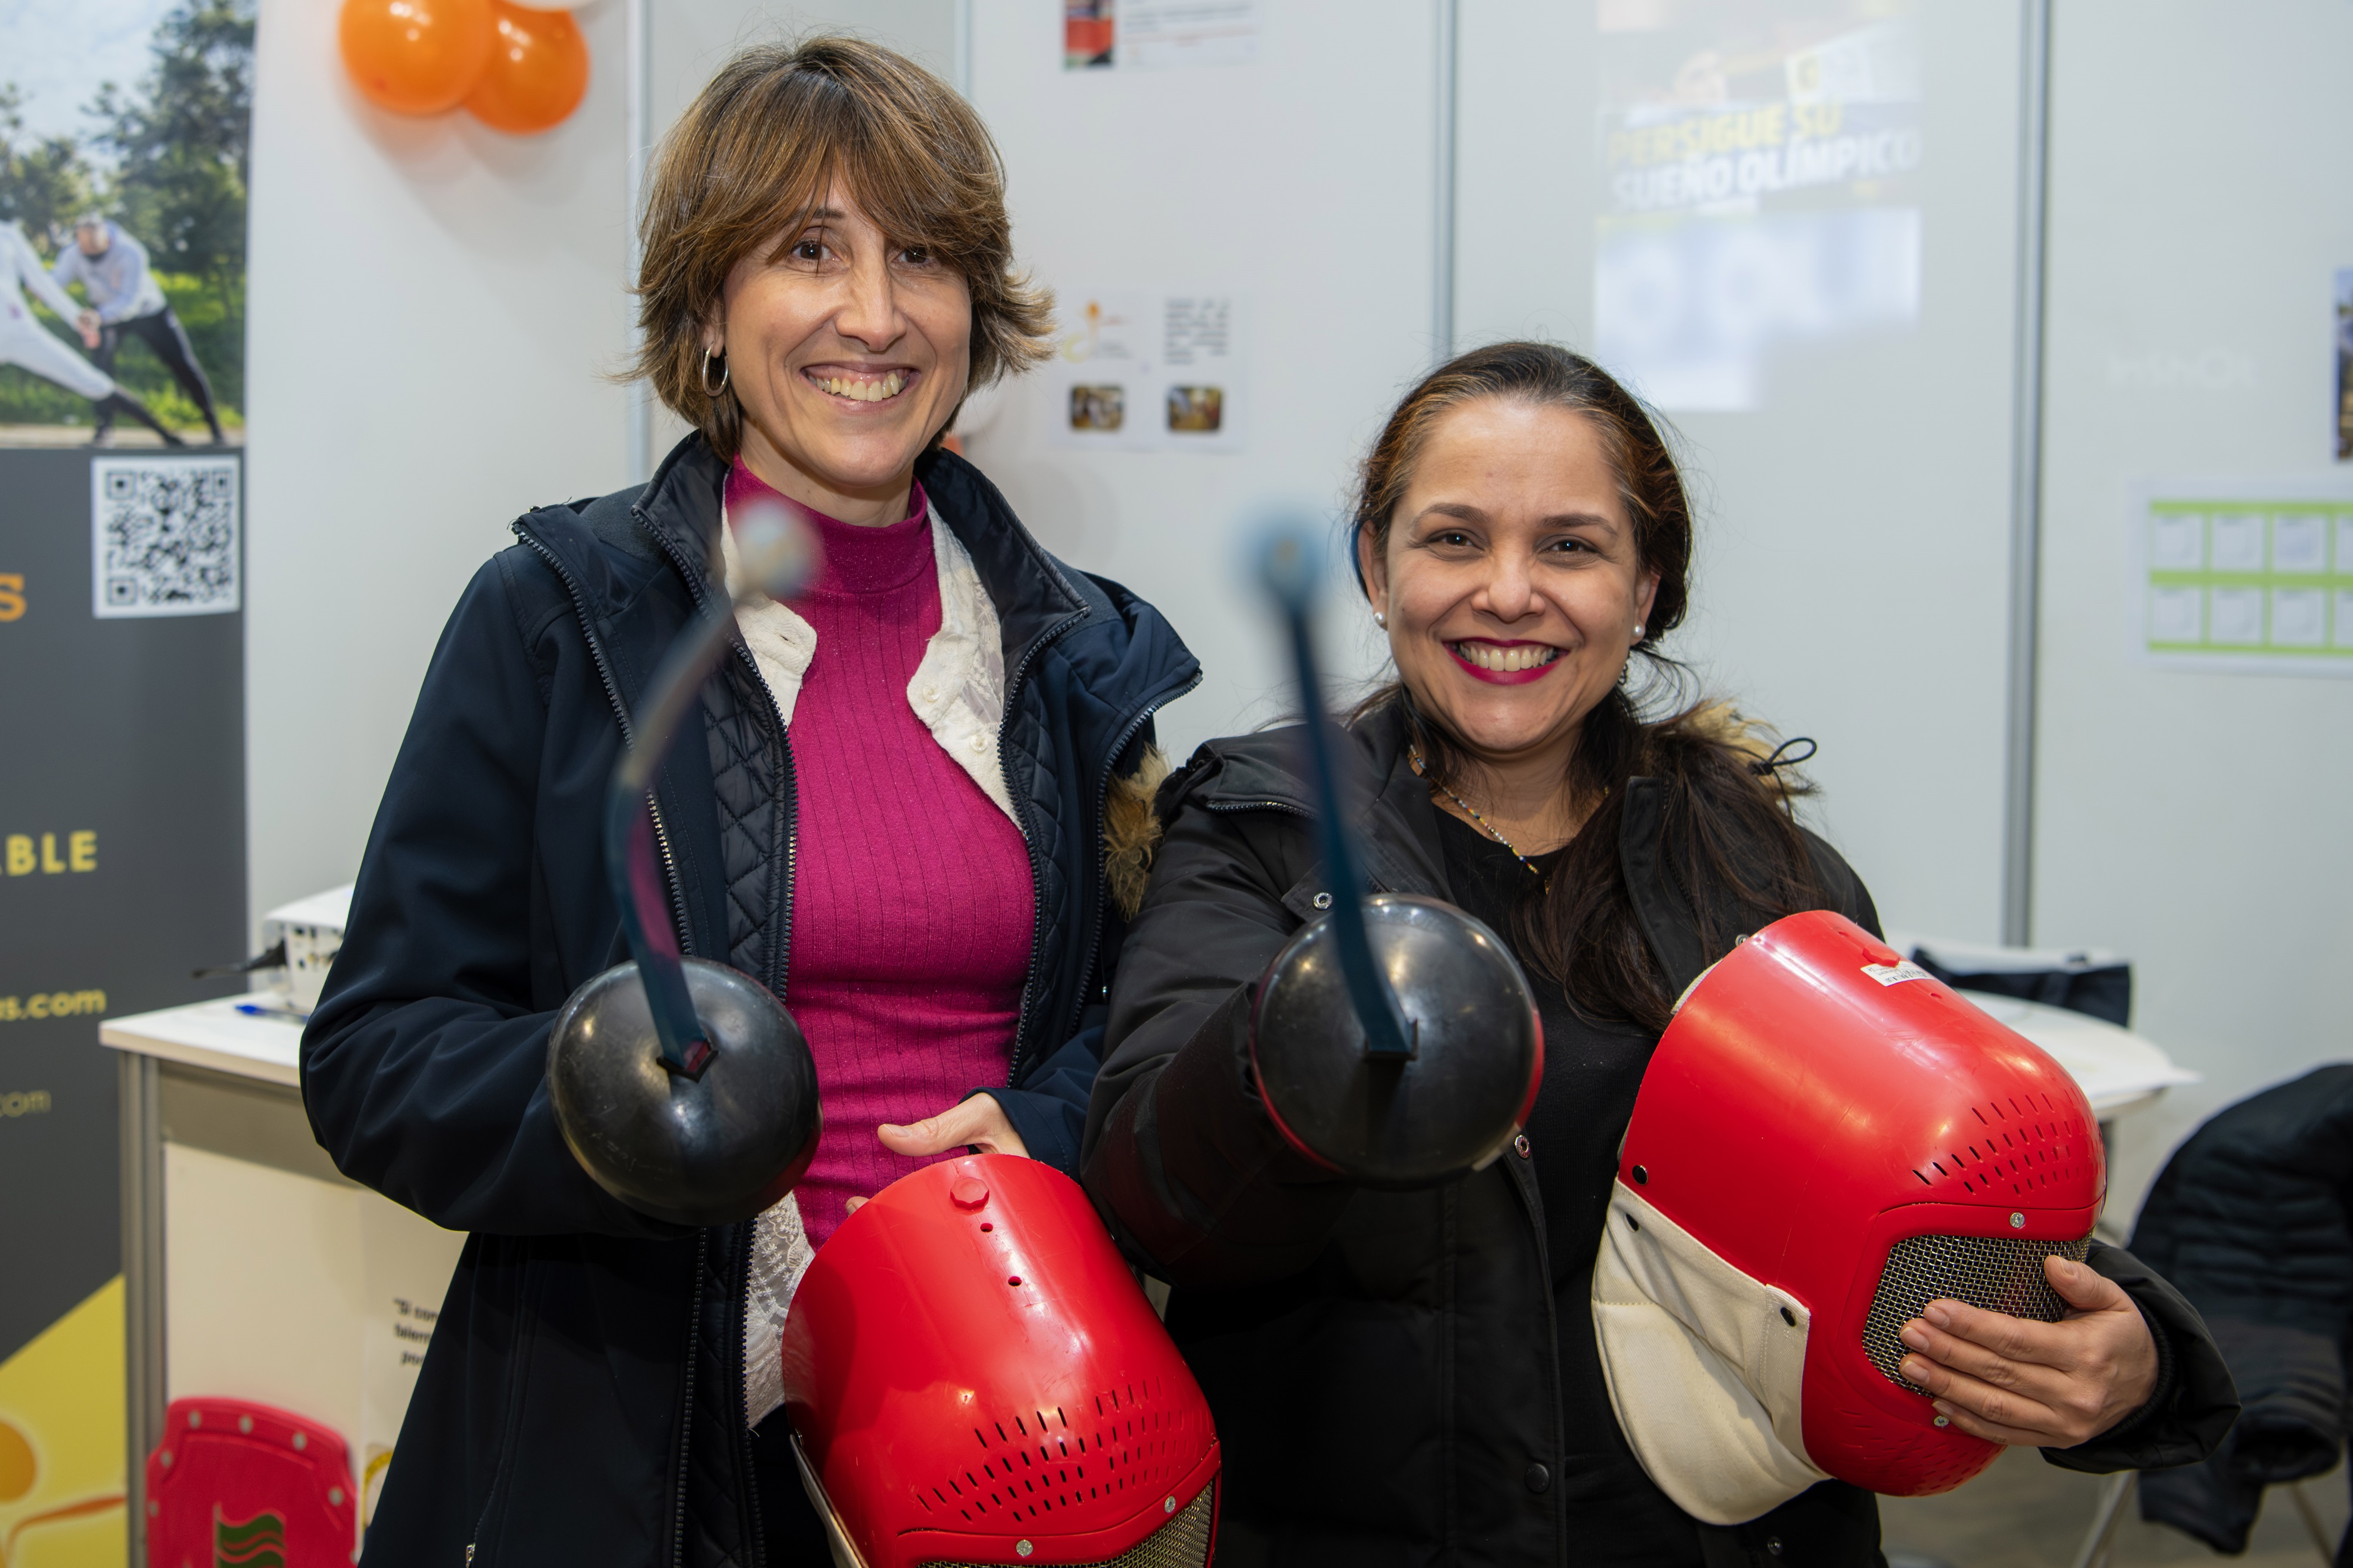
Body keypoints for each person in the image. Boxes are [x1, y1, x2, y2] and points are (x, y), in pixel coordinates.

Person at [1083, 342, 2235, 1565]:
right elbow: (1160, 1204)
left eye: (1570, 546)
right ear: (1375, 568)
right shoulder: (1263, 834)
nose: (1508, 592)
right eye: (1454, 539)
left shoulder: (1757, 870)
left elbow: (1921, 1190)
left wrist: (2133, 1353)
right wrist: (1295, 1049)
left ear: (1644, 590)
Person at [301, 38, 1197, 1567]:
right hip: (647, 1444)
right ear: (710, 308)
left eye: (921, 256)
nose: (873, 311)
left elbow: (1143, 1013)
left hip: (1005, 1435)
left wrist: (1048, 1117)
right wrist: (613, 1104)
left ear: (973, 309)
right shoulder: (559, 615)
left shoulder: (1074, 650)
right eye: (805, 251)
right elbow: (379, 1054)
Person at [0, 221, 181, 445]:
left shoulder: (8, 235)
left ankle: (166, 435)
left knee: (93, 381)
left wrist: (78, 319)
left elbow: (43, 284)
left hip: (19, 331)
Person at [51, 214, 225, 445]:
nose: (91, 254)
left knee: (183, 363)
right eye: (85, 248)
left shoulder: (131, 251)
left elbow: (129, 302)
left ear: (107, 239)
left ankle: (214, 427)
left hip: (147, 312)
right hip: (104, 315)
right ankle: (104, 431)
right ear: (77, 241)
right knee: (100, 370)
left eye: (96, 248)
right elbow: (54, 283)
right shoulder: (73, 254)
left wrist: (99, 317)